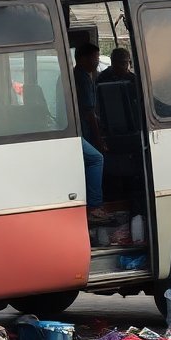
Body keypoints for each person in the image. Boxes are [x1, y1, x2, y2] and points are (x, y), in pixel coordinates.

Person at [73, 43, 106, 221]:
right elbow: (88, 113)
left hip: (80, 131)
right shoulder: (82, 78)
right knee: (96, 158)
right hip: (78, 132)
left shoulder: (82, 75)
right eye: (94, 58)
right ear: (82, 59)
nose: (97, 61)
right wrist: (99, 139)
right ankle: (95, 206)